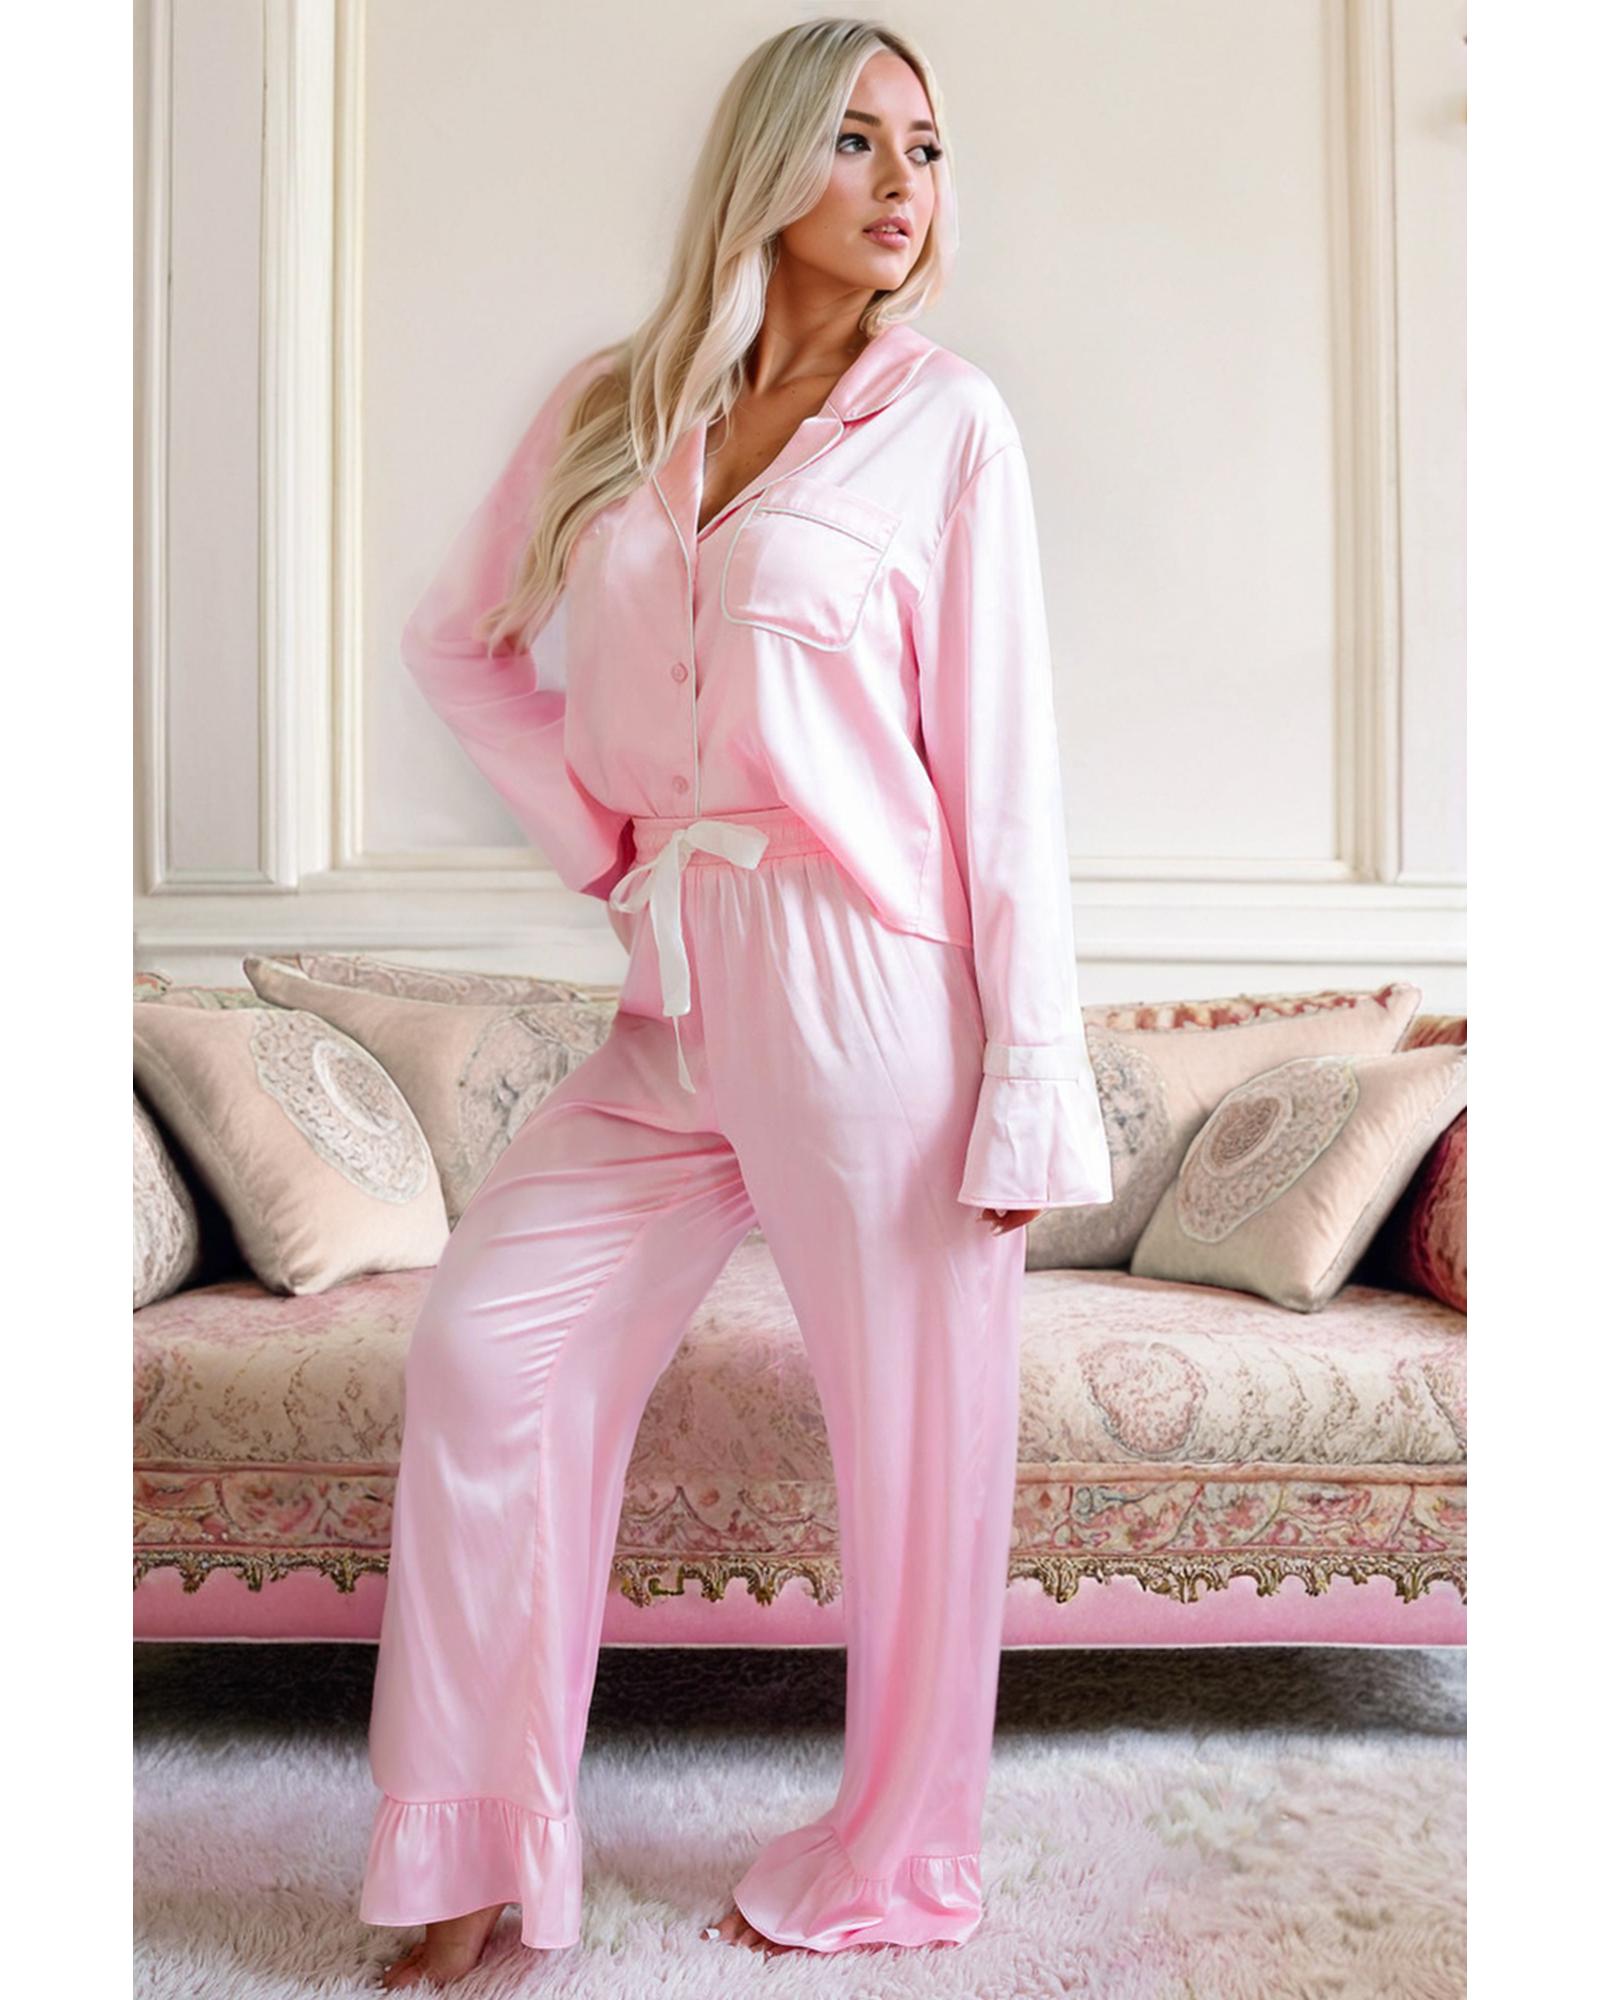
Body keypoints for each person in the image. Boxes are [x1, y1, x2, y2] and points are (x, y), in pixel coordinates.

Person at [359, 16, 1113, 1989]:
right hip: (677, 985)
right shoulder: (618, 410)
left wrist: (1026, 1080)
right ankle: (475, 1849)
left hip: (874, 989)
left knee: (917, 1459)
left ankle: (897, 1854)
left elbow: (1004, 773)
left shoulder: (946, 425)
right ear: (768, 160)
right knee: (486, 1351)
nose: (900, 184)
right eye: (855, 140)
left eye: (926, 148)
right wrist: (610, 845)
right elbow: (457, 645)